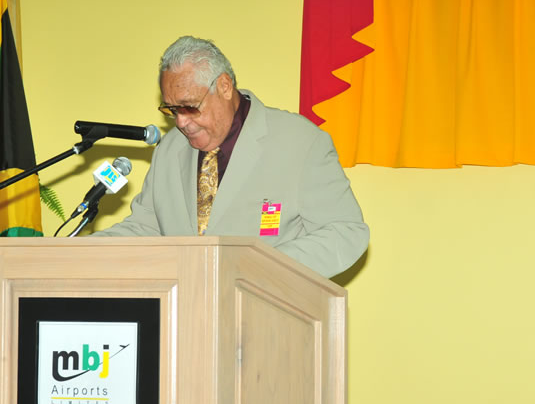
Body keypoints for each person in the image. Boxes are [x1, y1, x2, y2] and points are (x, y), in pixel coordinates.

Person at [93, 36, 369, 278]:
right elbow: (145, 228)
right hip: (182, 319)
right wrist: (75, 252)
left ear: (224, 86)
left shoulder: (300, 142)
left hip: (268, 318)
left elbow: (345, 232)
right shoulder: (170, 149)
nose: (181, 122)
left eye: (190, 107)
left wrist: (258, 269)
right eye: (172, 110)